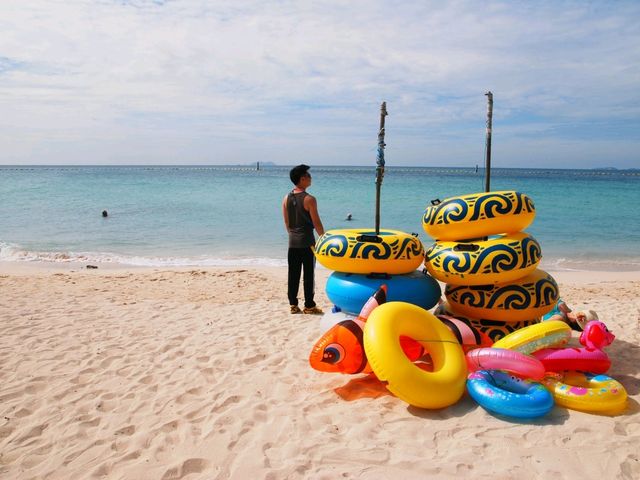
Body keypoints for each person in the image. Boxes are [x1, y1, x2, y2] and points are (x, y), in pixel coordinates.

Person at [282, 164, 325, 314]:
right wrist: (324, 238)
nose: (310, 178)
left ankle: (293, 305)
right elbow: (316, 222)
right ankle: (309, 305)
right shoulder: (310, 199)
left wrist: (293, 235)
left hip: (292, 243)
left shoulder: (286, 198)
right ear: (302, 179)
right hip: (307, 243)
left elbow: (287, 223)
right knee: (309, 275)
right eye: (308, 176)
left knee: (293, 275)